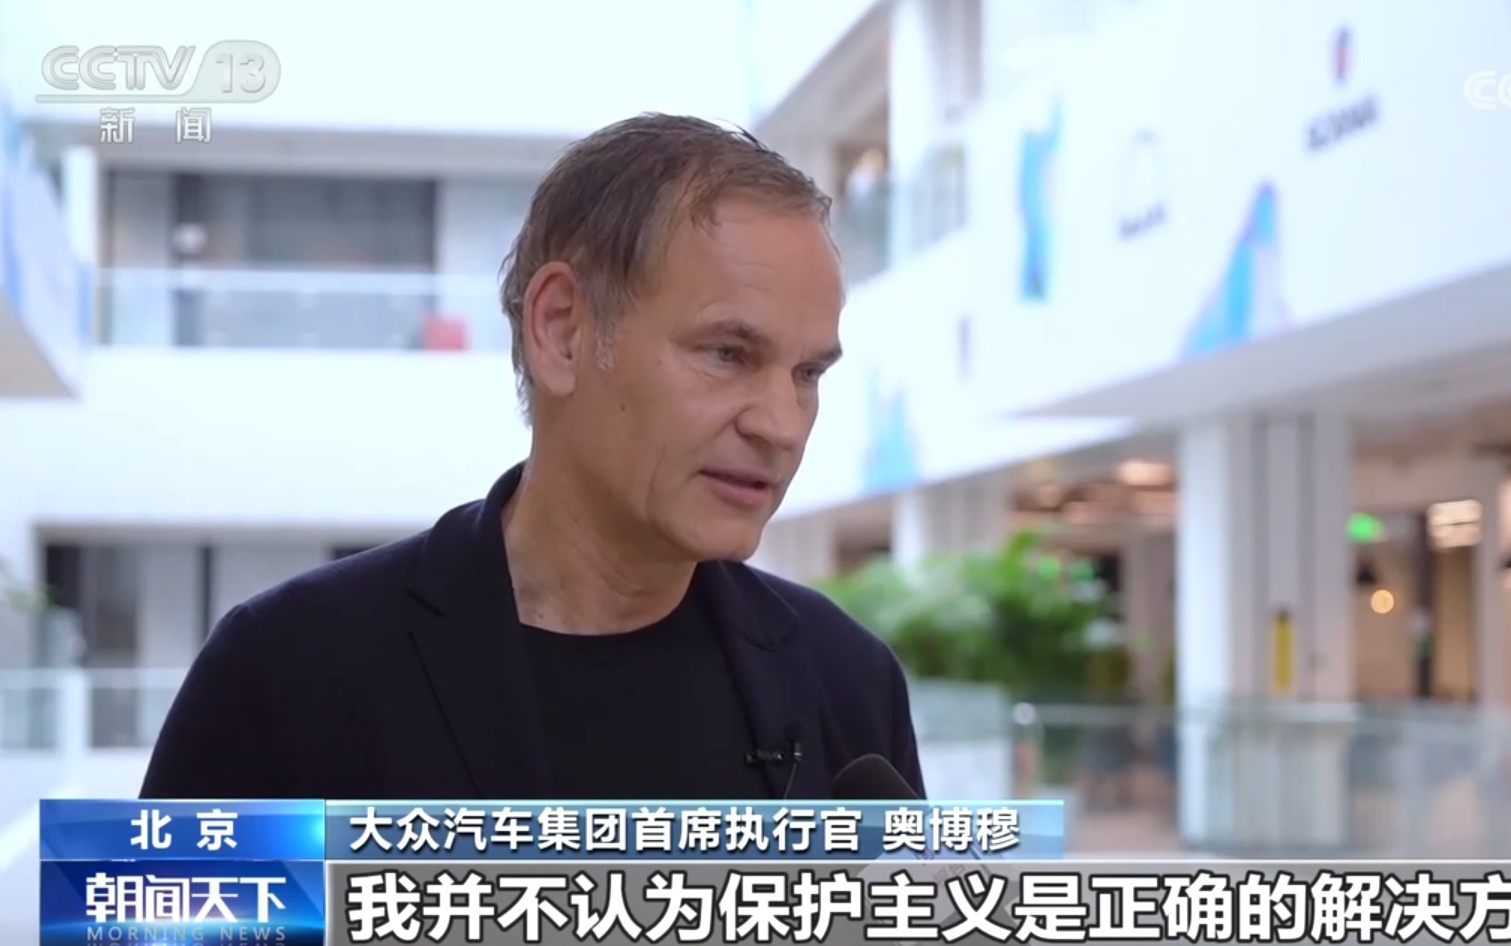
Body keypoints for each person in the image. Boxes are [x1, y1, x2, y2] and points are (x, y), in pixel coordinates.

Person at [141, 114, 925, 801]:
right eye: (728, 354)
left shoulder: (846, 682)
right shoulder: (289, 671)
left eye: (808, 374)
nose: (782, 425)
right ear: (562, 331)